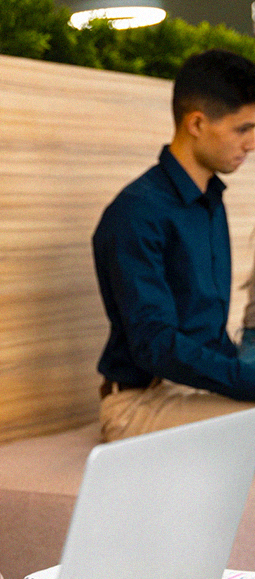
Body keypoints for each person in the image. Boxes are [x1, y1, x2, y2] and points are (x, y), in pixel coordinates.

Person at [93, 48, 255, 443]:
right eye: (242, 129)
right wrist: (247, 379)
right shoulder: (136, 212)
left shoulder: (210, 199)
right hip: (138, 403)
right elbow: (156, 346)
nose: (251, 143)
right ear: (196, 123)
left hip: (200, 389)